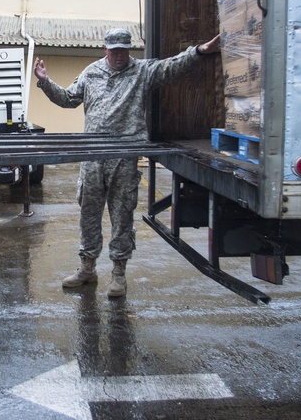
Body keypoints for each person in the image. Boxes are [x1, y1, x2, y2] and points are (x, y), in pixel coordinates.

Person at [33, 28, 221, 298]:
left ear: (129, 49)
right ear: (105, 49)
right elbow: (68, 99)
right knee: (89, 214)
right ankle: (87, 268)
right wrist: (45, 81)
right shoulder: (91, 72)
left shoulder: (142, 71)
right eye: (114, 50)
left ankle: (118, 274)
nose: (119, 55)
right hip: (93, 157)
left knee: (121, 216)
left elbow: (172, 67)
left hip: (124, 157)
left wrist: (200, 51)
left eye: (124, 49)